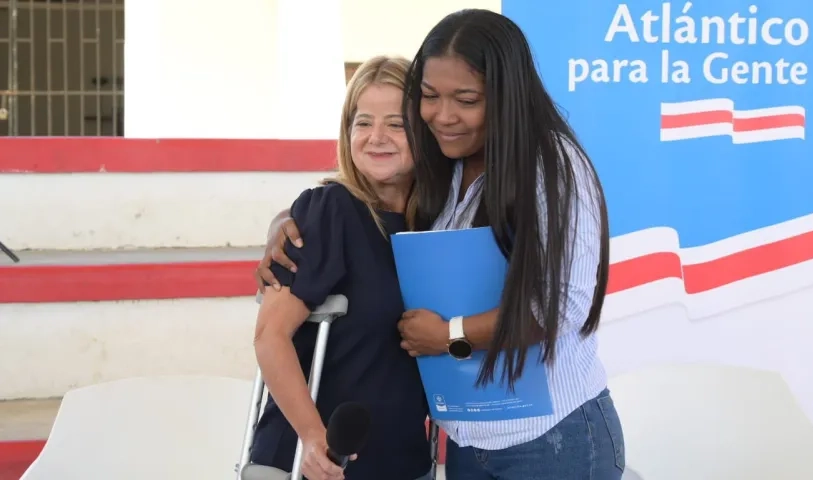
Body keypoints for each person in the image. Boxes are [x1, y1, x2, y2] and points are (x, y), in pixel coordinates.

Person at [256, 9, 626, 480]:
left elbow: (562, 306)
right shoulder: (446, 174)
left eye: (466, 99)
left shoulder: (551, 166)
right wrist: (292, 218)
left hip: (548, 440)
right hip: (468, 443)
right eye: (429, 97)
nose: (443, 116)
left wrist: (449, 335)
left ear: (505, 97)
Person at [250, 55, 432, 480]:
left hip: (402, 462)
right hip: (315, 464)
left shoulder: (436, 222)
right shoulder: (327, 210)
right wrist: (314, 438)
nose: (376, 137)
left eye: (396, 124)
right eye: (363, 122)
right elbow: (269, 336)